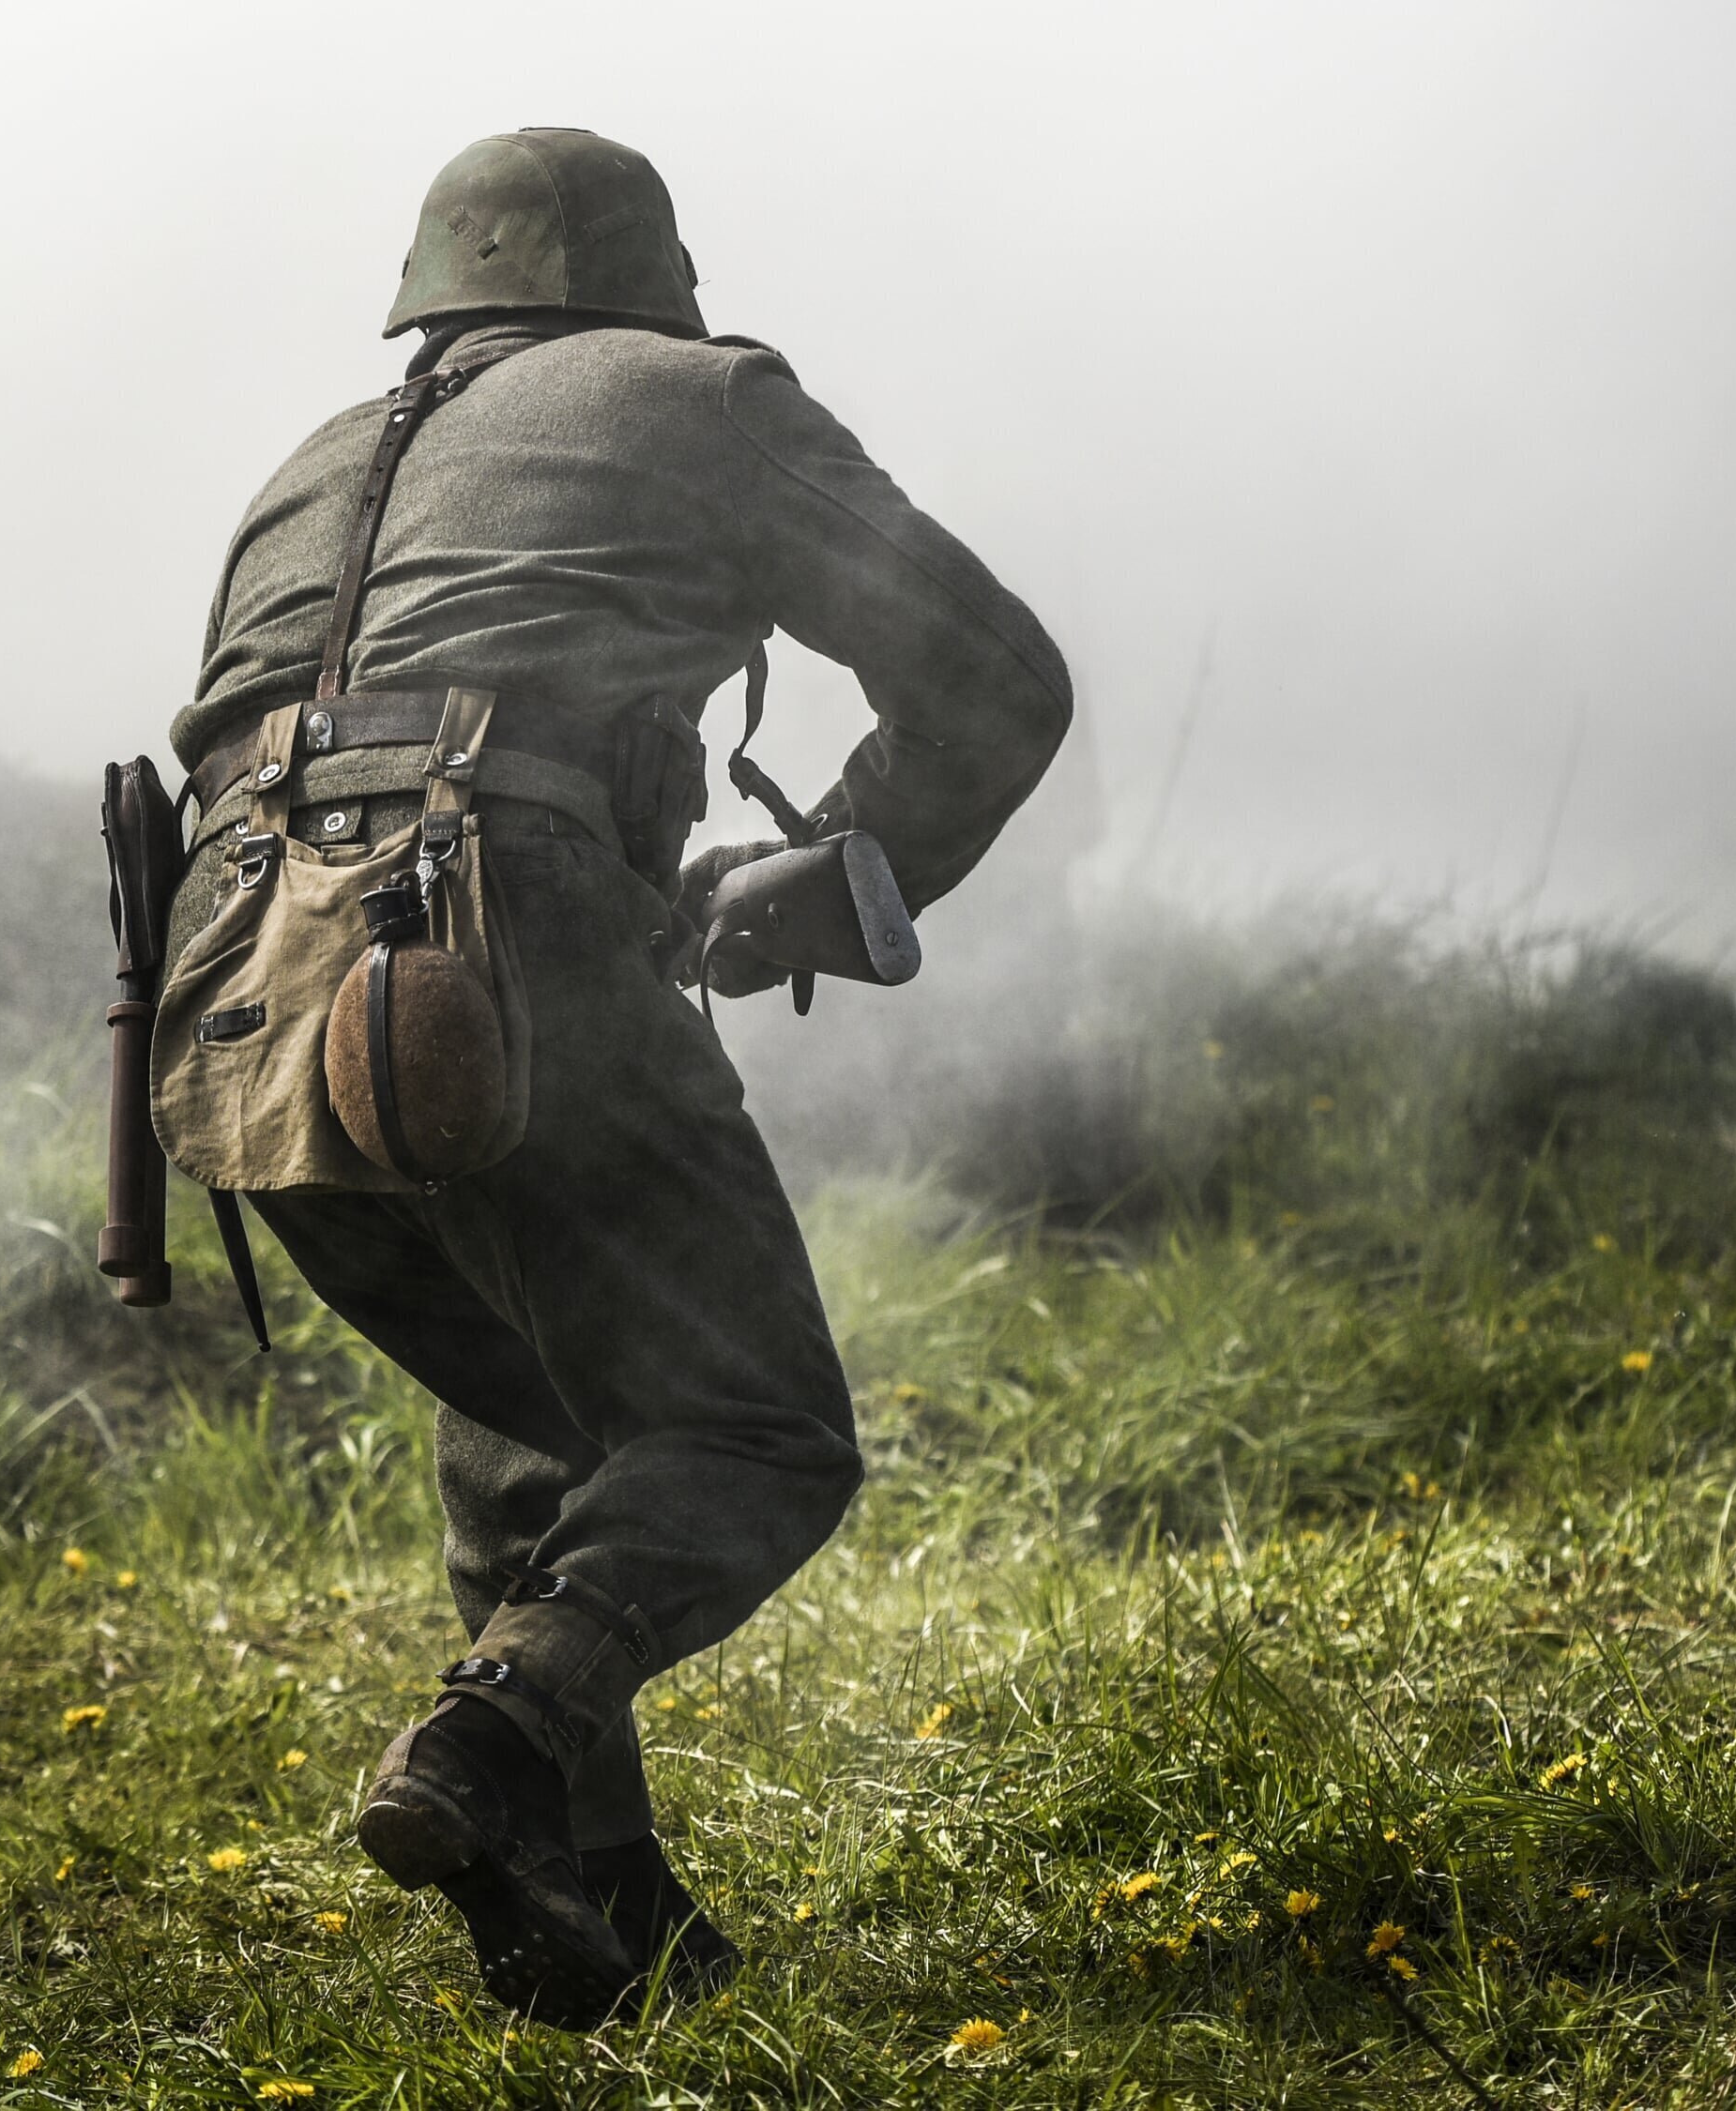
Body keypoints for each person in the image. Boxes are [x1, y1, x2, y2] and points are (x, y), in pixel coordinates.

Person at [163, 128, 1072, 2027]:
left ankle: (605, 1934)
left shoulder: (306, 467)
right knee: (753, 1434)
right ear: (643, 286)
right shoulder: (702, 401)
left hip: (233, 1019)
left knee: (550, 1444)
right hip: (499, 948)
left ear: (432, 296)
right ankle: (496, 1746)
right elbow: (991, 676)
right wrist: (835, 876)